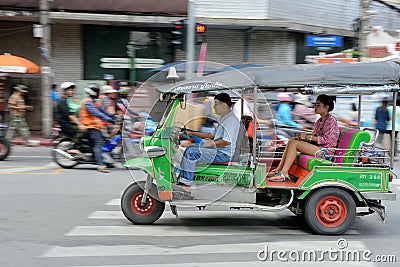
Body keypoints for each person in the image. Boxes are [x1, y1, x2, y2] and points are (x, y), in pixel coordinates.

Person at [175, 93, 240, 196]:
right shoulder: (224, 118)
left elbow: (227, 141)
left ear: (224, 104)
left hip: (223, 154)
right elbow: (211, 135)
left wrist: (211, 144)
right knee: (190, 148)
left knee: (191, 152)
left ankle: (186, 186)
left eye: (216, 104)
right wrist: (191, 133)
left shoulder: (231, 120)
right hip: (218, 150)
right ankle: (181, 178)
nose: (214, 107)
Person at [268, 94, 340, 182]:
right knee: (292, 140)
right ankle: (279, 169)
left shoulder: (331, 120)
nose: (315, 107)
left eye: (318, 105)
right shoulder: (319, 121)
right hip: (319, 148)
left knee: (294, 143)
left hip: (326, 152)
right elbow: (314, 137)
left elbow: (326, 140)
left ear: (326, 107)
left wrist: (307, 137)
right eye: (315, 104)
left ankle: (284, 173)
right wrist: (304, 138)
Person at [79, 83, 115, 173]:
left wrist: (114, 117)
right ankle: (101, 165)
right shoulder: (87, 102)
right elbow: (96, 113)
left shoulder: (94, 102)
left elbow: (103, 111)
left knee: (105, 140)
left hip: (96, 126)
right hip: (90, 127)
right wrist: (107, 119)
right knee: (98, 143)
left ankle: (106, 160)